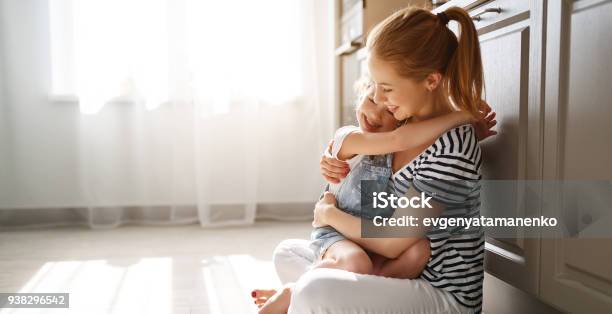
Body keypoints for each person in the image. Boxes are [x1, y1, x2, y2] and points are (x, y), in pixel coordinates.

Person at [254, 5, 497, 314]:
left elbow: (393, 241)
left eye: (387, 88)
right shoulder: (401, 126)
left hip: (440, 296)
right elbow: (368, 208)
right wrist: (338, 163)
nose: (378, 99)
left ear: (431, 80)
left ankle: (296, 294)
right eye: (374, 85)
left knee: (315, 291)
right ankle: (302, 295)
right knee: (287, 252)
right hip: (393, 269)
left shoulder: (453, 144)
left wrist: (328, 214)